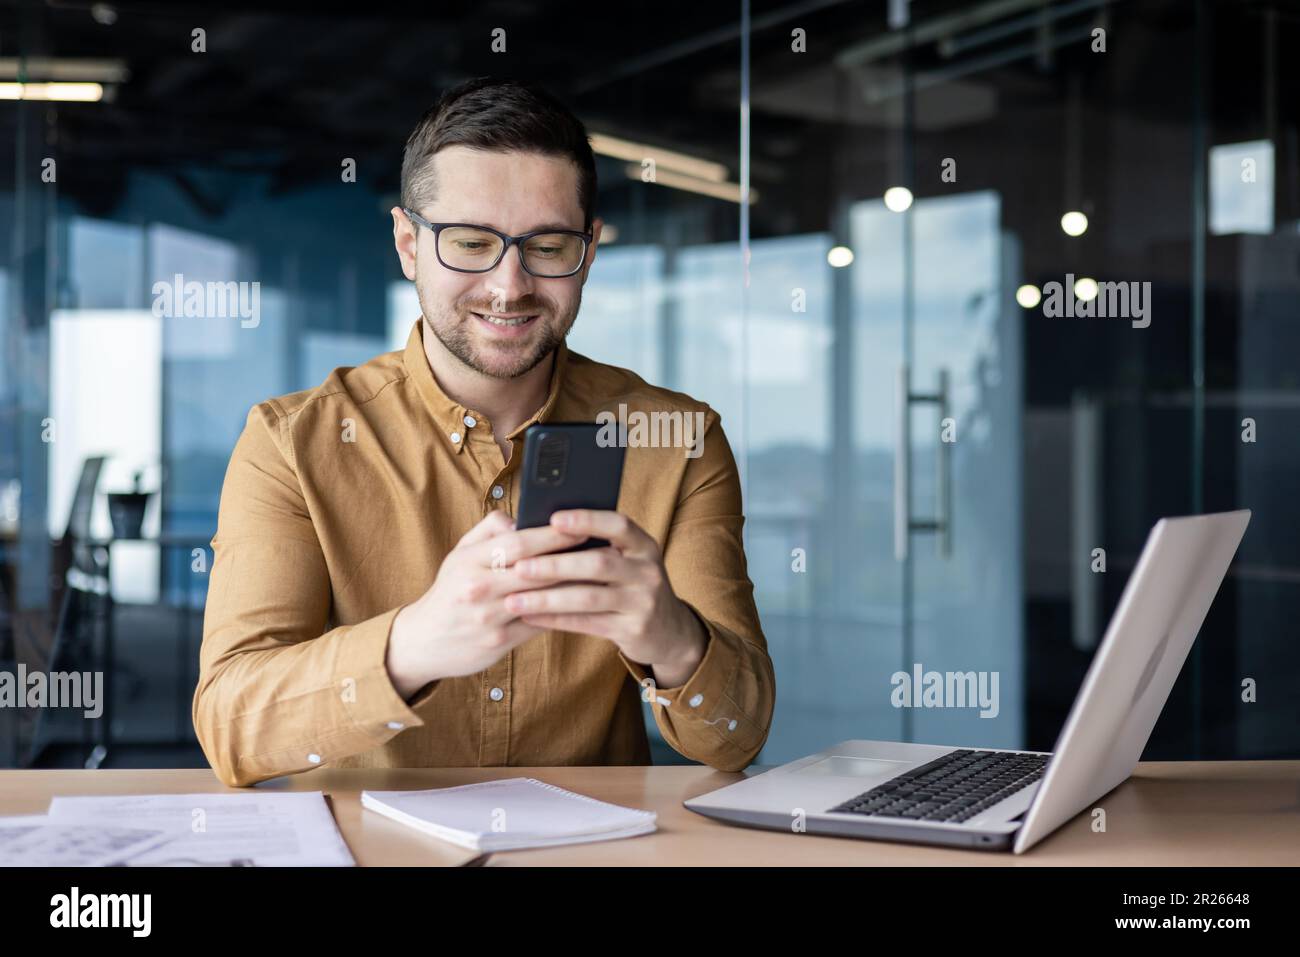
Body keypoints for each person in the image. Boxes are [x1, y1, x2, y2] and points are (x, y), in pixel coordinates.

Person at [193, 76, 775, 787]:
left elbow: (738, 738)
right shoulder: (291, 441)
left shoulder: (676, 438)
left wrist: (673, 639)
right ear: (408, 243)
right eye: (470, 243)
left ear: (589, 249)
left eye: (550, 246)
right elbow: (229, 722)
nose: (510, 285)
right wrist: (412, 645)